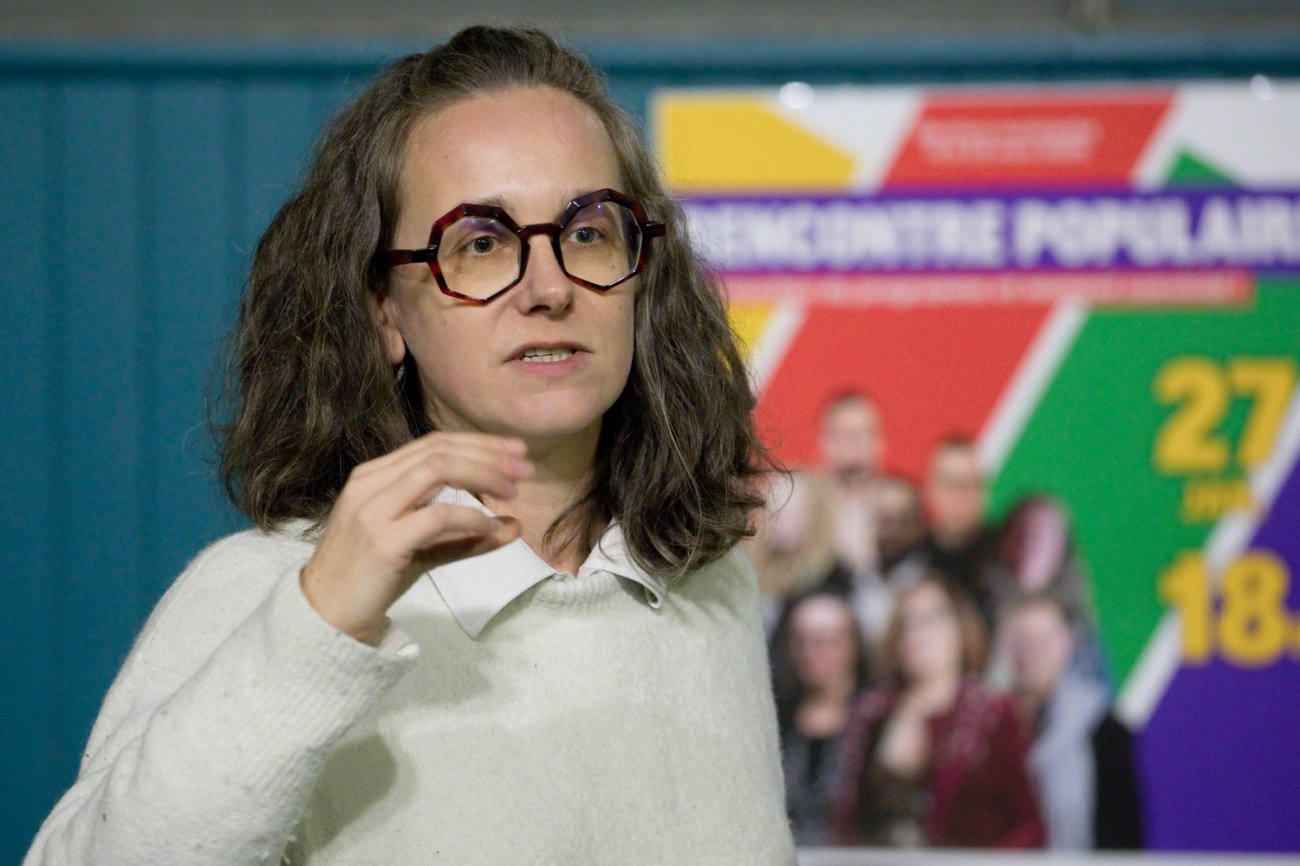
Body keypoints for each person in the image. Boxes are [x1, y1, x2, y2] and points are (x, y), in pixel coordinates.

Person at [25, 26, 796, 866]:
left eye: (587, 231)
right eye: (480, 243)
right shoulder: (265, 593)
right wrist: (319, 628)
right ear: (383, 311)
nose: (549, 289)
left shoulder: (711, 582)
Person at [829, 575, 1044, 849]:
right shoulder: (872, 715)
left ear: (960, 629)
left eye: (930, 618)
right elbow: (848, 820)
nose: (916, 632)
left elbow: (1029, 825)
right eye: (906, 622)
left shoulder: (994, 714)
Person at [1003, 594, 1144, 851]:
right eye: (1023, 640)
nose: (1033, 651)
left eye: (1044, 639)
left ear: (1066, 641)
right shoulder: (988, 727)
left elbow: (1123, 836)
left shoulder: (1104, 729)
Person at [771, 592, 871, 846]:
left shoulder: (874, 720)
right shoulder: (775, 722)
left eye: (825, 640)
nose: (811, 651)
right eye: (800, 640)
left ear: (853, 645)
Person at [921, 436, 999, 627]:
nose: (959, 495)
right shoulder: (912, 557)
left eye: (969, 484)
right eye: (949, 483)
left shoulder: (1009, 553)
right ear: (929, 489)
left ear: (985, 492)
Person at [816, 390, 885, 579]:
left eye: (867, 433)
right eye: (847, 434)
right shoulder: (801, 503)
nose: (857, 442)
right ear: (825, 441)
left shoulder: (895, 507)